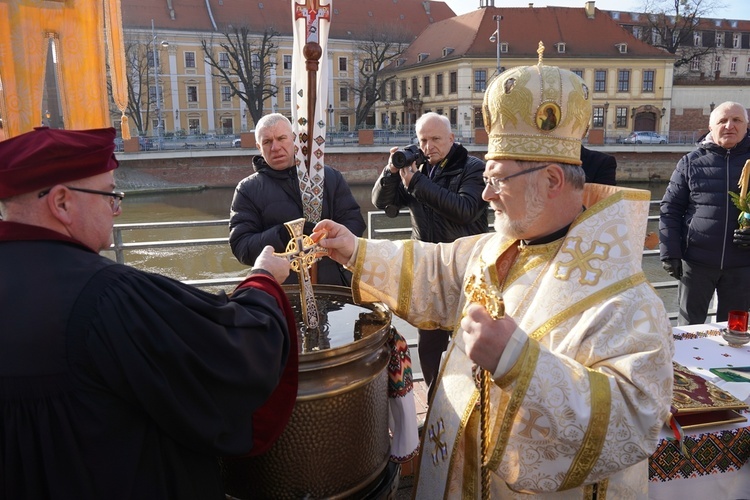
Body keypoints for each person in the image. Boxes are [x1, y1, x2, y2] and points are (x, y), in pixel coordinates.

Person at [314, 53, 673, 497]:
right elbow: (436, 270)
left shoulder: (625, 299)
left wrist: (520, 363)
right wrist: (355, 250)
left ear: (553, 180)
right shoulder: (498, 246)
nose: (485, 195)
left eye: (498, 179)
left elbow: (635, 421)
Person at [0, 126, 297, 499]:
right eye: (109, 193)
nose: (117, 207)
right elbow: (233, 355)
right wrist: (263, 280)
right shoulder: (107, 296)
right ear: (61, 203)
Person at [372, 111, 488, 399]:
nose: (428, 146)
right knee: (429, 341)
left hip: (466, 268)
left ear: (452, 138)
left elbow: (464, 209)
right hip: (428, 268)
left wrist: (416, 184)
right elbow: (380, 201)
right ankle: (437, 400)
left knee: (469, 340)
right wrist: (390, 172)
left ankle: (472, 404)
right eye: (423, 139)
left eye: (436, 139)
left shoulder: (473, 168)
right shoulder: (417, 170)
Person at [229, 113, 365, 286]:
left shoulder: (329, 177)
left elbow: (355, 223)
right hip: (284, 294)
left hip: (334, 288)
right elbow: (242, 247)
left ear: (294, 139)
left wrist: (328, 239)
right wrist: (283, 235)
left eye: (281, 138)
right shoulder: (247, 190)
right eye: (267, 142)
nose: (275, 147)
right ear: (258, 147)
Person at [659, 101, 750, 325]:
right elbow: (670, 209)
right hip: (696, 262)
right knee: (689, 329)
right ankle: (690, 363)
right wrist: (670, 252)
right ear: (711, 127)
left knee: (734, 331)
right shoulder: (691, 162)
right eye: (722, 121)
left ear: (746, 126)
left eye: (737, 120)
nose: (730, 125)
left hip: (742, 265)